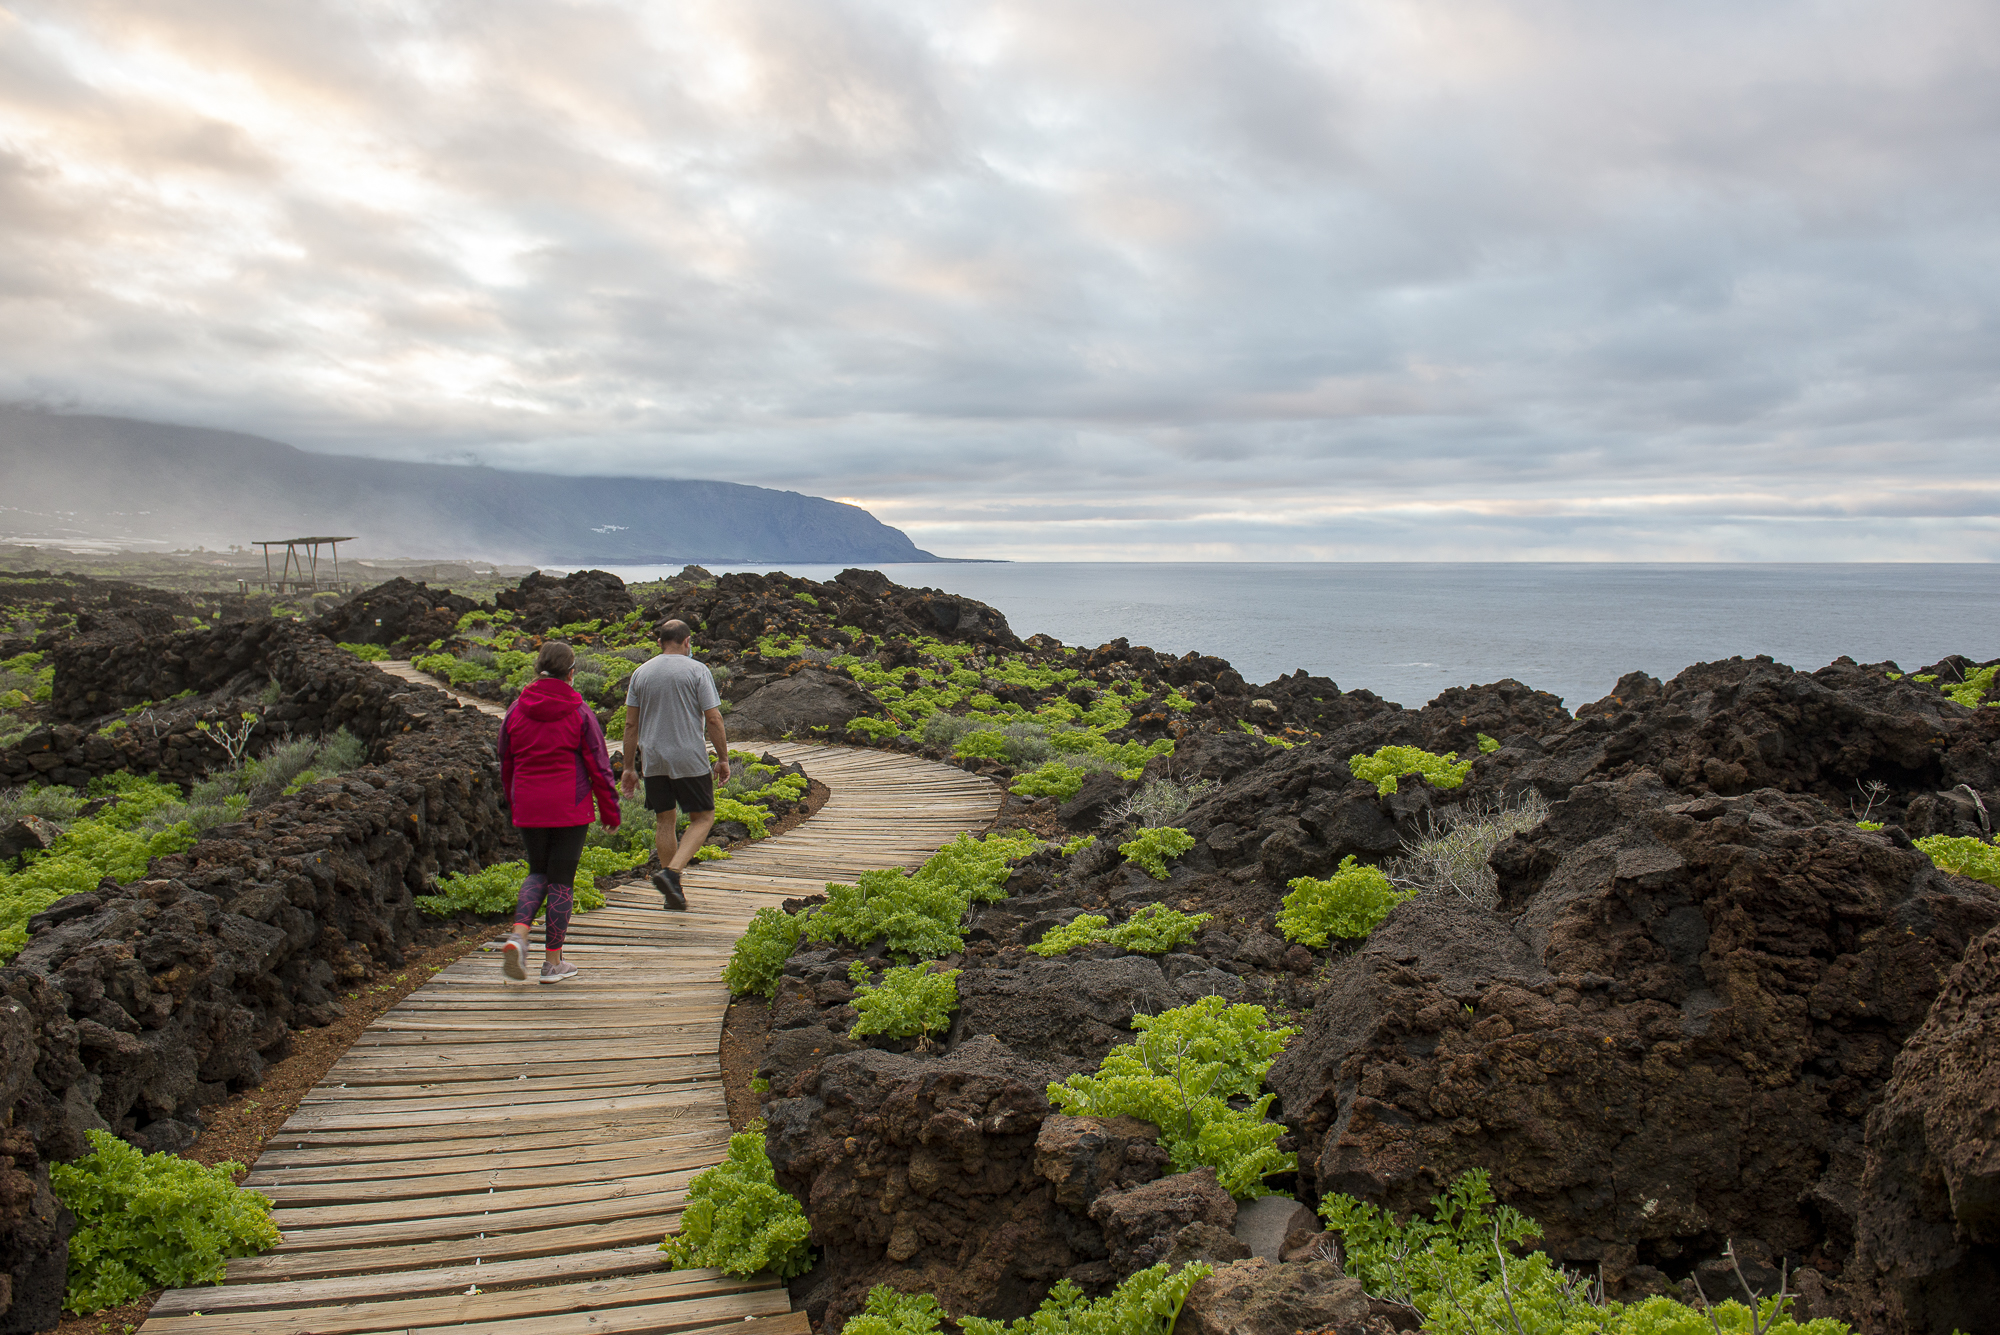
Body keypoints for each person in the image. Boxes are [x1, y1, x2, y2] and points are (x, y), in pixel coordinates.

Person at [496, 640, 621, 982]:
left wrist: (515, 801)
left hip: (529, 804)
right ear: (572, 673)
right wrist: (610, 811)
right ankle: (553, 963)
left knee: (537, 871)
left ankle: (519, 936)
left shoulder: (515, 710)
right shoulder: (579, 711)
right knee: (561, 881)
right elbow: (599, 765)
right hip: (570, 806)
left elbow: (505, 761)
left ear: (538, 668)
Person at [619, 618, 730, 910]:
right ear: (687, 642)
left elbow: (631, 724)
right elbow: (714, 718)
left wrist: (628, 767)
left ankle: (673, 895)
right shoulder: (697, 670)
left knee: (664, 820)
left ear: (659, 643)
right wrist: (723, 758)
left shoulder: (640, 673)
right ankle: (671, 873)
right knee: (703, 817)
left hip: (653, 759)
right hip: (688, 758)